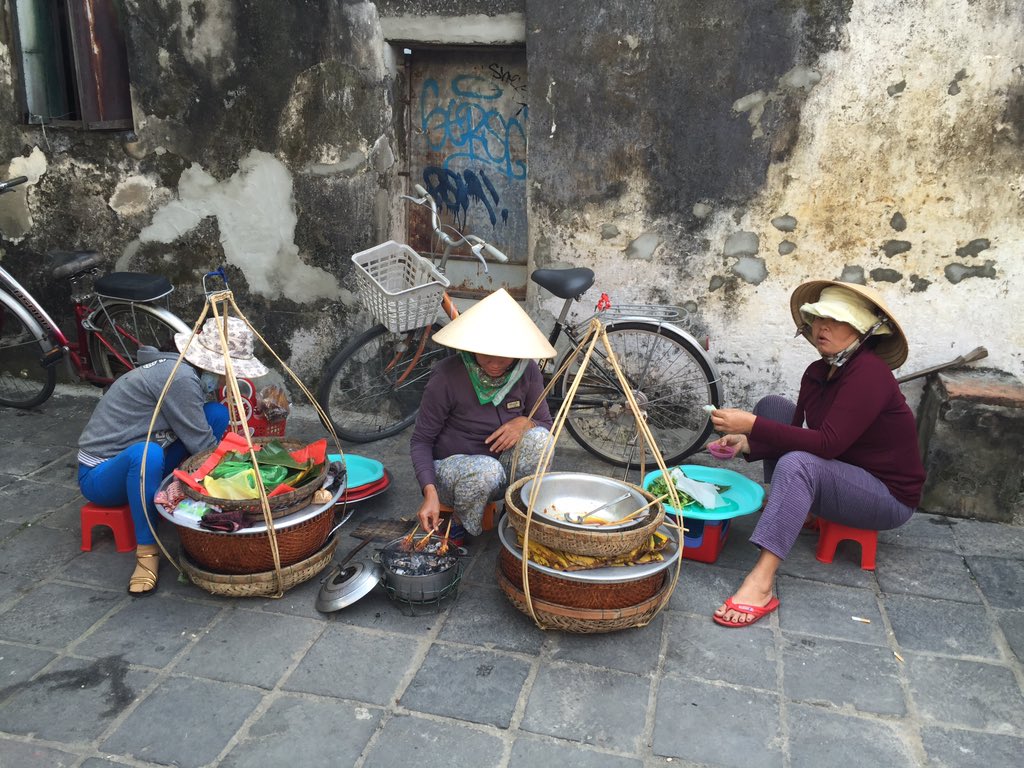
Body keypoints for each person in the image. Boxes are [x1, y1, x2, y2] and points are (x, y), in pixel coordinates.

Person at [708, 280, 925, 627]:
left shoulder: (870, 373)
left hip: (887, 497)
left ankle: (761, 583)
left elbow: (826, 445)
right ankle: (795, 507)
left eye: (836, 321)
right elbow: (793, 430)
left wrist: (751, 425)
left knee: (796, 464)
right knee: (772, 407)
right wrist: (746, 442)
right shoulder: (817, 371)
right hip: (846, 468)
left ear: (863, 330)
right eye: (818, 318)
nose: (822, 327)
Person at [78, 316, 268, 595]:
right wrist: (239, 473)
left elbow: (201, 430)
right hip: (102, 473)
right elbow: (202, 443)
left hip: (151, 448)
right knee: (148, 455)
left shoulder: (185, 372)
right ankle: (146, 552)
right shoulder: (178, 377)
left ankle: (185, 489)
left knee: (215, 413)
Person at [412, 288, 557, 544]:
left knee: (541, 440)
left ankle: (515, 512)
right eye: (486, 354)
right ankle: (458, 523)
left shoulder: (528, 371)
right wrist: (430, 493)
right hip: (456, 473)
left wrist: (526, 422)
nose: (495, 363)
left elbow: (545, 424)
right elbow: (421, 440)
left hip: (501, 470)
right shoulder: (447, 376)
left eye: (505, 356)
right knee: (485, 470)